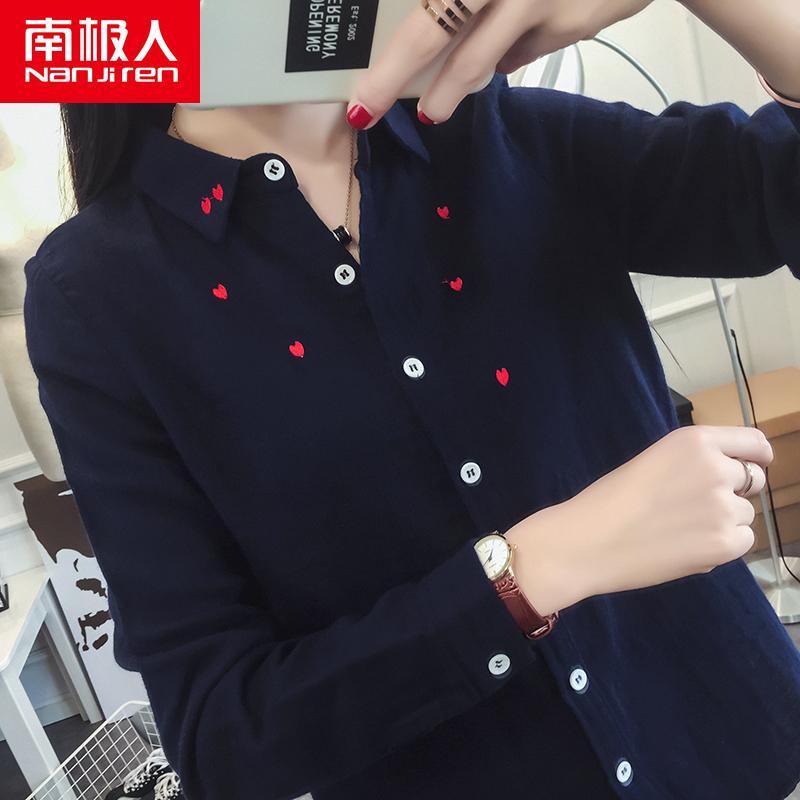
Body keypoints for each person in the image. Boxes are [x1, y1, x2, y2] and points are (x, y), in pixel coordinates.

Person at [22, 0, 800, 798]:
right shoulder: (94, 296)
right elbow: (223, 739)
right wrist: (540, 566)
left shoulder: (497, 131)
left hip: (739, 748)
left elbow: (773, 189)